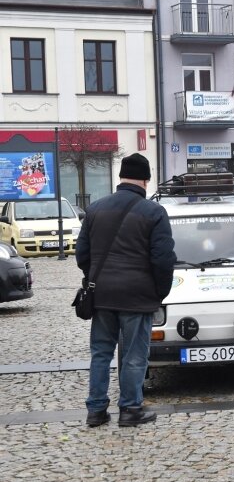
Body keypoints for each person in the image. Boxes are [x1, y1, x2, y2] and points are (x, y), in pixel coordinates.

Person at [76, 153, 176, 427]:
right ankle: (131, 410)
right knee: (134, 355)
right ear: (146, 180)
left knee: (101, 353)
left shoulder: (95, 208)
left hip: (102, 295)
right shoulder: (154, 212)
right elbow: (163, 259)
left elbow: (82, 254)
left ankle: (95, 411)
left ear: (121, 177)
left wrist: (96, 278)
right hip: (138, 297)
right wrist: (160, 292)